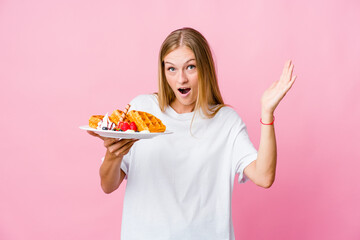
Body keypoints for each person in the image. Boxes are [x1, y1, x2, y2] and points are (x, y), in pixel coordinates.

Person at [87, 27, 296, 240]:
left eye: (190, 67)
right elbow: (108, 185)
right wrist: (113, 155)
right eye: (172, 69)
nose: (181, 80)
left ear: (204, 68)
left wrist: (267, 113)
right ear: (163, 71)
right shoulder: (141, 111)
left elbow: (264, 176)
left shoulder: (225, 122)